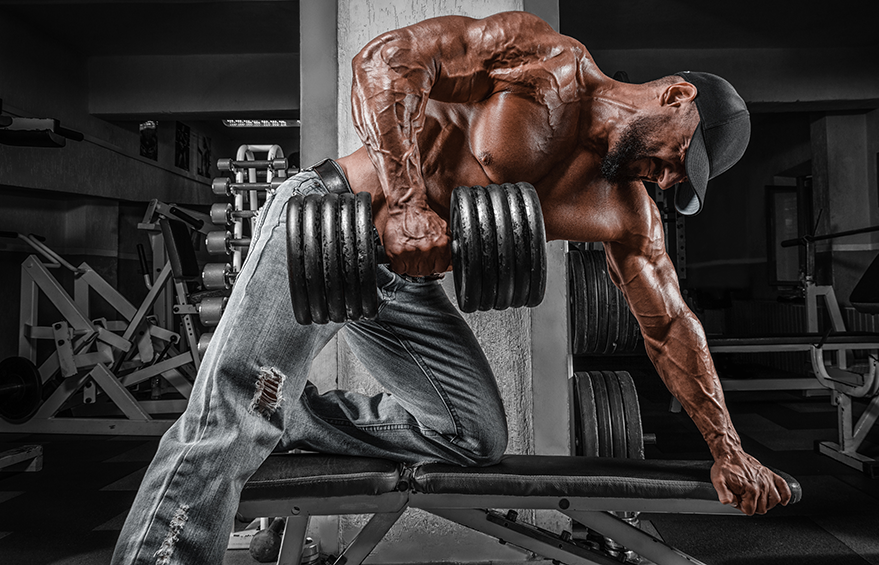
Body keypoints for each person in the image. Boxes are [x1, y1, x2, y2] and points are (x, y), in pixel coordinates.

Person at [113, 11, 791, 564]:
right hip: (330, 221)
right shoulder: (548, 62)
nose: (673, 179)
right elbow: (384, 62)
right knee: (231, 408)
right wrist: (407, 199)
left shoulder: (626, 210)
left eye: (686, 182)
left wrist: (729, 449)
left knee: (473, 435)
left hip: (397, 284)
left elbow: (670, 325)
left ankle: (289, 417)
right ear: (676, 95)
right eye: (684, 157)